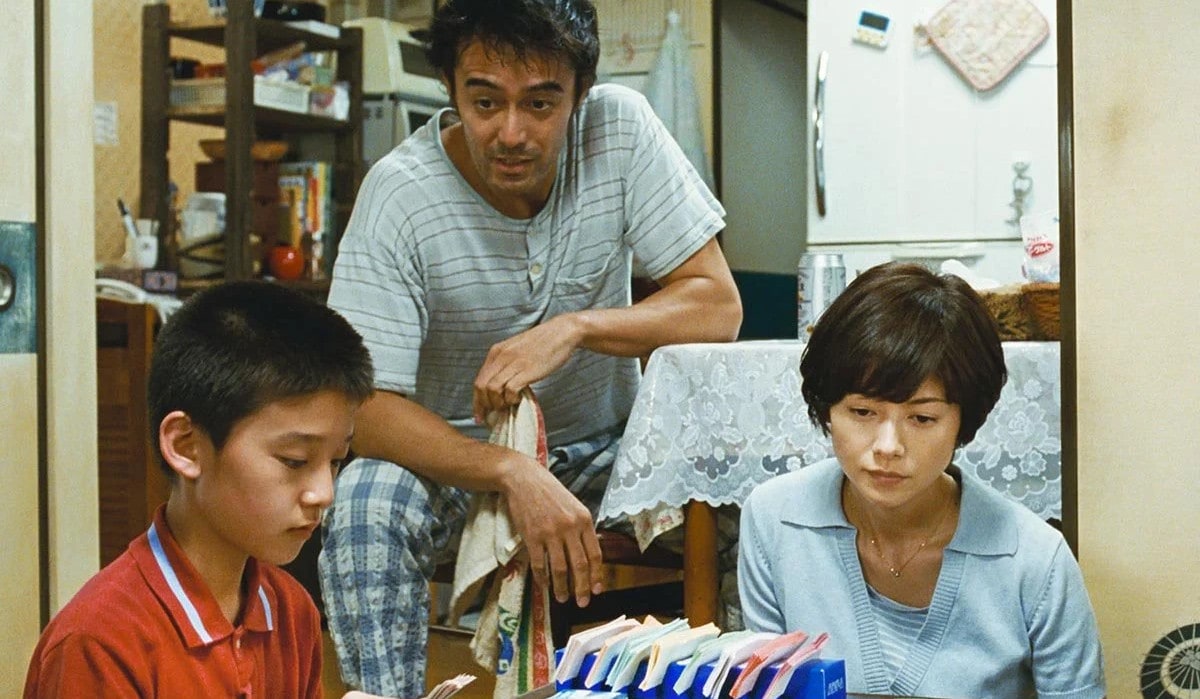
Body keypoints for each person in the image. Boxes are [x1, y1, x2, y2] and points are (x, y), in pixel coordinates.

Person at [318, 0, 742, 694]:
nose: (510, 132)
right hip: (455, 466)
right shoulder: (399, 192)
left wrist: (575, 328)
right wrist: (511, 471)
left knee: (765, 501)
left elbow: (717, 304)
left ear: (580, 95)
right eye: (484, 101)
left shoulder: (621, 129)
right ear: (452, 90)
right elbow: (362, 409)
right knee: (364, 501)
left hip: (610, 450)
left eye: (541, 104)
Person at [738, 262, 1106, 698]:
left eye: (922, 417)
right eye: (862, 412)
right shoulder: (775, 520)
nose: (888, 445)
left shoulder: (1032, 559)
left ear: (963, 420)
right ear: (827, 408)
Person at [23, 281, 387, 699]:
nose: (324, 493)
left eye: (336, 461)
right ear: (186, 446)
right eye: (294, 460)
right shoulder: (100, 643)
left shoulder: (291, 612)